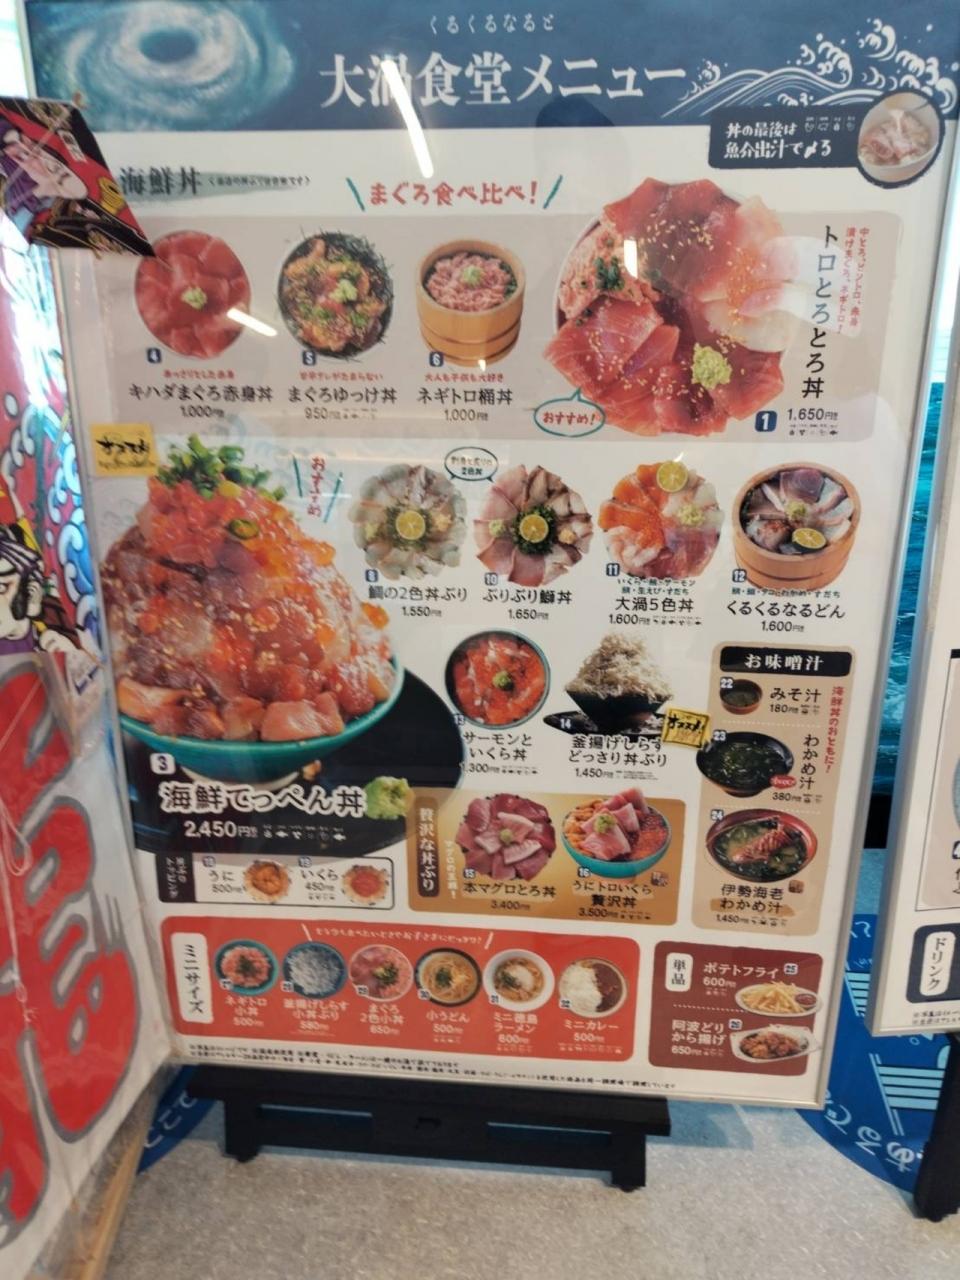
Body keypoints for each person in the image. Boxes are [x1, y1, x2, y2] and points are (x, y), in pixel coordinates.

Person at [0, 124, 87, 237]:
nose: (20, 146)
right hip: (25, 213)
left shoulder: (33, 151)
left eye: (20, 139)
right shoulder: (9, 166)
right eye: (11, 145)